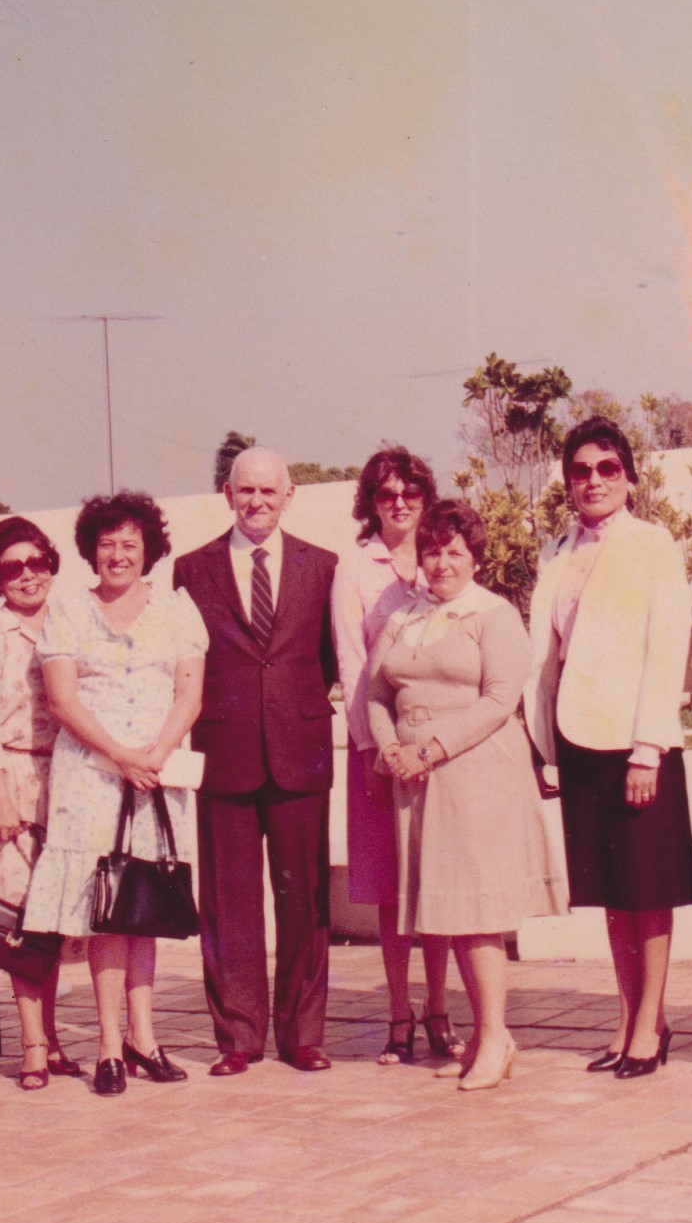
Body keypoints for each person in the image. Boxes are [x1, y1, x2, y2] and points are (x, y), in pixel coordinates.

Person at [523, 417, 692, 1081]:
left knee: (645, 889)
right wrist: (542, 747)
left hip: (634, 743)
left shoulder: (652, 544)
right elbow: (546, 659)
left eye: (606, 468)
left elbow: (665, 648)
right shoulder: (558, 550)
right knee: (610, 892)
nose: (592, 480)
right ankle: (624, 1019)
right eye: (579, 470)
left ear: (627, 475)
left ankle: (651, 1022)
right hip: (576, 745)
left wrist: (647, 748)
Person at [366, 499, 564, 1091]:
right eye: (433, 551)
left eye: (456, 551)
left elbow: (501, 699)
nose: (443, 562)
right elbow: (375, 694)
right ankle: (482, 1033)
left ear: (475, 558)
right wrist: (390, 749)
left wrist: (430, 749)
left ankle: (497, 1036)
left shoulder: (492, 614)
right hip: (416, 780)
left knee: (475, 909)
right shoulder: (404, 615)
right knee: (448, 909)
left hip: (476, 773)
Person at [25, 492, 208, 1096]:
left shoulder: (179, 611)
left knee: (146, 906)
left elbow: (189, 695)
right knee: (106, 909)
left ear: (149, 550)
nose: (118, 555)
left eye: (130, 544)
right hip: (93, 777)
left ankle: (144, 1038)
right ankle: (108, 1045)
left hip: (156, 776)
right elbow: (63, 699)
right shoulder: (70, 613)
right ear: (91, 551)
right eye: (107, 544)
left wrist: (153, 754)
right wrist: (120, 755)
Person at [173, 447, 339, 1076]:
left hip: (299, 750)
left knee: (305, 899)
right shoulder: (192, 570)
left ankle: (303, 1034)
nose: (258, 502)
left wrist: (289, 707)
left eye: (270, 491)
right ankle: (238, 1036)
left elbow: (325, 660)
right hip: (225, 750)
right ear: (227, 494)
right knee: (229, 901)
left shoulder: (322, 567)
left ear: (290, 495)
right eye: (247, 492)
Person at [332, 447, 463, 1066]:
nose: (401, 503)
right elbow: (355, 668)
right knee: (392, 889)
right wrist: (373, 748)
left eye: (411, 491)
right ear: (372, 503)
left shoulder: (446, 556)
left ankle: (439, 1008)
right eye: (387, 494)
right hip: (380, 750)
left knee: (436, 878)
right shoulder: (357, 569)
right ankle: (398, 1013)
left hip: (442, 750)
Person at [0, 516, 82, 1091]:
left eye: (37, 563)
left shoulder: (71, 623)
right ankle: (32, 1043)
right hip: (9, 782)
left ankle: (52, 1039)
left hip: (67, 780)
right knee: (19, 920)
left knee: (53, 919)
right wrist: (2, 798)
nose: (28, 575)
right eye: (14, 568)